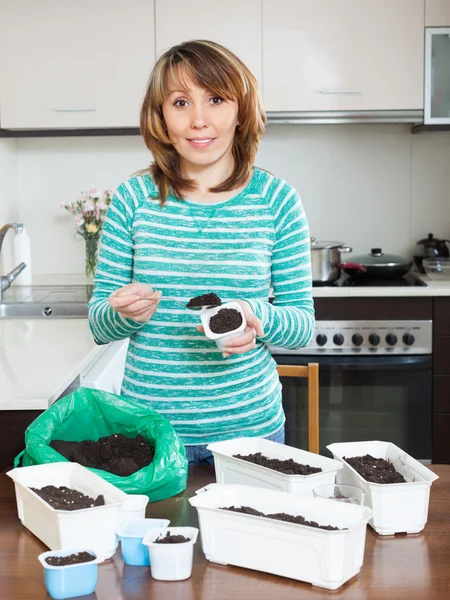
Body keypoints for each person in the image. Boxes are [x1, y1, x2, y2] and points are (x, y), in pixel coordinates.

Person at [88, 40, 315, 465]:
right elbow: (100, 324)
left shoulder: (277, 200)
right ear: (161, 116)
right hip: (150, 433)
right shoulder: (133, 199)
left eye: (215, 99)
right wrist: (121, 314)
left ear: (241, 110)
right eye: (179, 102)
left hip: (251, 433)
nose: (198, 119)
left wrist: (254, 315)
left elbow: (302, 327)